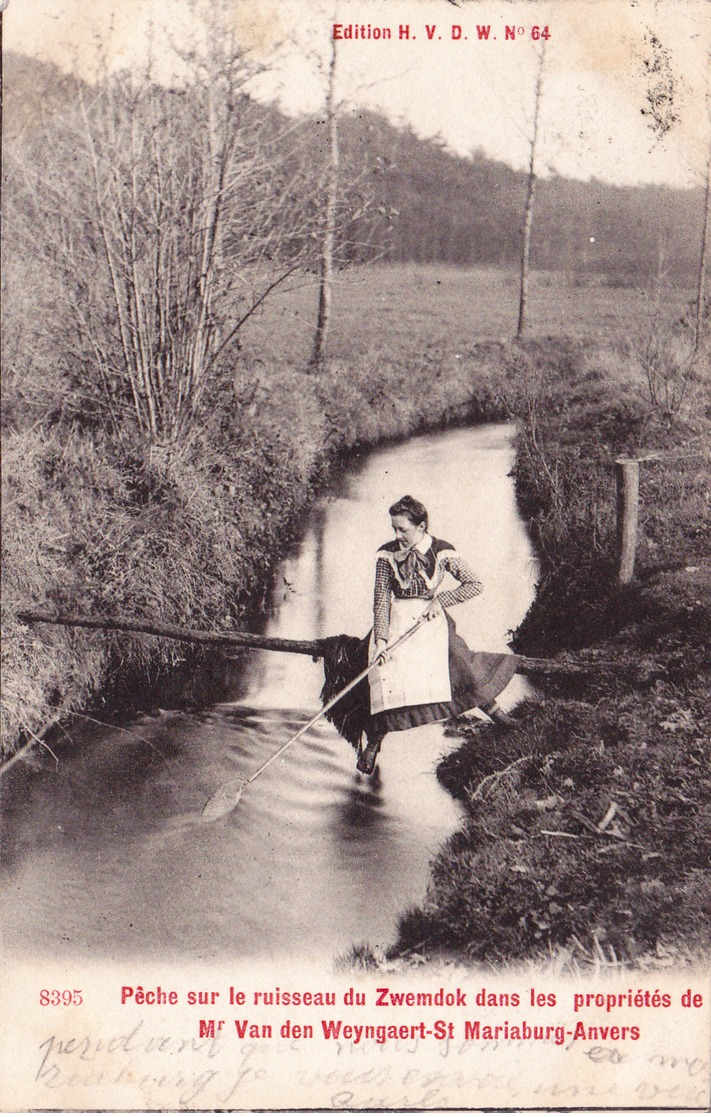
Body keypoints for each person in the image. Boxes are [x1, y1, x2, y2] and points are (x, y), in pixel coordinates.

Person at [357, 495, 520, 774]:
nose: (397, 535)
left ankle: (498, 716)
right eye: (394, 529)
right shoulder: (385, 555)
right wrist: (381, 641)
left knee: (459, 663)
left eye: (403, 529)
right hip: (397, 623)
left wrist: (441, 600)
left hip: (431, 622)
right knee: (384, 676)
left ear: (421, 526)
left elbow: (474, 584)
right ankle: (374, 742)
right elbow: (381, 599)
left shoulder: (442, 551)